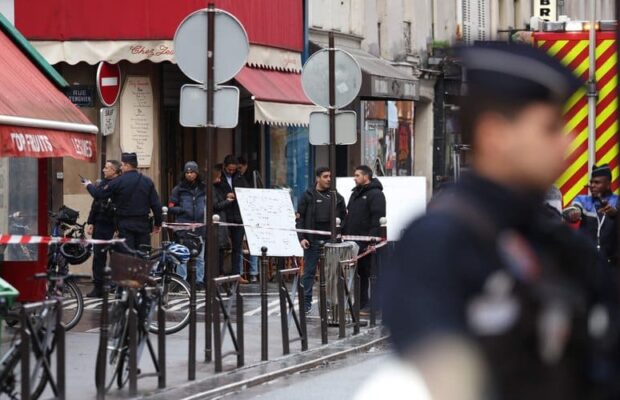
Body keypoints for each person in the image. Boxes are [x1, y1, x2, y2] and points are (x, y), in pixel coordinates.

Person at [381, 42, 619, 400]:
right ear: (495, 135)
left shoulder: (554, 239)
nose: (566, 145)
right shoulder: (441, 243)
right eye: (550, 129)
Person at [83, 152, 162, 250]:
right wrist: (158, 223)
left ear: (127, 165)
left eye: (122, 165)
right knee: (143, 256)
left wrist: (89, 185)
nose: (121, 168)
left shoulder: (118, 181)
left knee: (127, 256)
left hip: (125, 225)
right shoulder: (147, 181)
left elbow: (99, 194)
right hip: (143, 224)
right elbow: (156, 205)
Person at [296, 167, 346, 313]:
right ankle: (306, 303)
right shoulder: (307, 196)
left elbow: (344, 215)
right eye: (325, 176)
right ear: (317, 178)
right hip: (312, 242)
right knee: (309, 273)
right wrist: (302, 238)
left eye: (330, 176)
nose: (329, 179)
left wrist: (339, 231)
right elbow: (300, 219)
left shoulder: (336, 196)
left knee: (332, 274)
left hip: (331, 242)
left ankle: (331, 304)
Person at [342, 165, 386, 313]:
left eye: (357, 175)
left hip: (367, 241)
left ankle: (373, 305)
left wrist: (372, 241)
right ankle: (360, 302)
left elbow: (377, 218)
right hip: (353, 240)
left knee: (371, 273)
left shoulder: (376, 194)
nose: (355, 178)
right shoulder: (355, 194)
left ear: (366, 177)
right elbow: (349, 216)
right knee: (359, 273)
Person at [565, 164, 618, 266]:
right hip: (586, 263)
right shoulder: (582, 200)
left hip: (612, 264)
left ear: (608, 184)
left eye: (597, 182)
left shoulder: (617, 201)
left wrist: (615, 214)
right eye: (591, 182)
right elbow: (572, 210)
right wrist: (573, 213)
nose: (592, 185)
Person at [85, 160, 121, 297]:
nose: (104, 170)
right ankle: (98, 287)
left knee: (116, 257)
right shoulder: (102, 184)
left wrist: (88, 186)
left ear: (115, 171)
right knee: (98, 257)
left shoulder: (118, 184)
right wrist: (91, 222)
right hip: (100, 224)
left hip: (113, 225)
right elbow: (96, 204)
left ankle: (117, 286)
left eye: (107, 168)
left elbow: (98, 195)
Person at [167, 161, 206, 290]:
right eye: (187, 172)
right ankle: (181, 281)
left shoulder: (203, 188)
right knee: (181, 255)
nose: (189, 175)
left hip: (199, 226)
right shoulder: (178, 189)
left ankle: (199, 281)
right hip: (183, 226)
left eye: (192, 172)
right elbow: (171, 207)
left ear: (197, 173)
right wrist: (182, 210)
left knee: (200, 256)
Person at [214, 154, 249, 282]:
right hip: (224, 215)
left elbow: (246, 192)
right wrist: (226, 195)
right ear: (224, 167)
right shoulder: (218, 178)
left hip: (238, 216)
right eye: (229, 169)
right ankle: (220, 272)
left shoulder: (240, 177)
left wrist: (237, 194)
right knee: (222, 245)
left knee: (237, 246)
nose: (231, 172)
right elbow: (215, 194)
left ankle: (236, 274)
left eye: (234, 169)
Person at [238, 155, 259, 282]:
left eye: (241, 167)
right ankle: (245, 273)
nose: (240, 170)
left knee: (254, 244)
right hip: (239, 216)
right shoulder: (238, 178)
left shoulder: (252, 178)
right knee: (240, 245)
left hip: (251, 215)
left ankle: (253, 272)